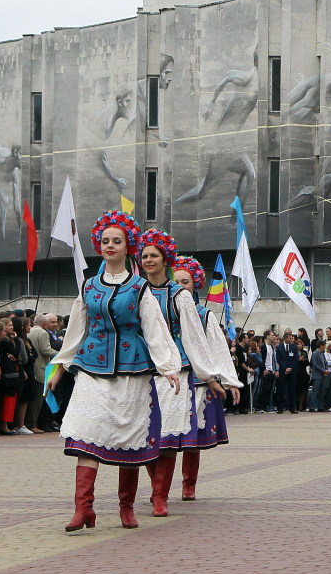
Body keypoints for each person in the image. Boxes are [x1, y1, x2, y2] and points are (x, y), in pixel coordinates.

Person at [46, 211, 182, 531]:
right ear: (99, 245)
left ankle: (127, 507)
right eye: (105, 240)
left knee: (127, 437)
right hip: (92, 367)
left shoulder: (139, 287)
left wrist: (168, 366)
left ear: (127, 247)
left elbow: (154, 328)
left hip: (132, 369)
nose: (110, 245)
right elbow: (76, 330)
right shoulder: (89, 286)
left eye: (116, 241)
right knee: (85, 431)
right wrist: (60, 367)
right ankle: (84, 509)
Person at [137, 233, 226, 518]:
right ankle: (156, 488)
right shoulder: (135, 291)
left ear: (166, 259)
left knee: (168, 436)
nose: (149, 260)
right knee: (146, 434)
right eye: (145, 256)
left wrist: (210, 377)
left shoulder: (179, 295)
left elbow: (194, 338)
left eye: (154, 255)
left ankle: (160, 496)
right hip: (143, 368)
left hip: (178, 370)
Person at [171, 255, 242, 503]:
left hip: (198, 383)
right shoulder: (159, 309)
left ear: (195, 284)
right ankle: (160, 488)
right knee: (162, 439)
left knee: (191, 441)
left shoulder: (204, 315)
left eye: (185, 281)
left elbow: (218, 348)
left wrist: (230, 380)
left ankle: (188, 485)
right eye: (176, 281)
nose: (181, 286)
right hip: (169, 381)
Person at [29, 314, 60, 432]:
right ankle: (33, 424)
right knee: (39, 399)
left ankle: (32, 423)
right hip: (41, 368)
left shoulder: (30, 331)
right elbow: (45, 350)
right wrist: (60, 354)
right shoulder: (43, 333)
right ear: (44, 323)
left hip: (33, 368)